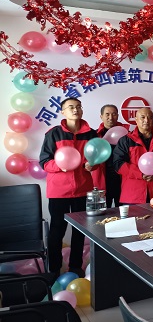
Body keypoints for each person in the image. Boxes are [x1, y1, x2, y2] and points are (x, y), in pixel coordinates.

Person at [39, 98, 98, 279]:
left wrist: (92, 165)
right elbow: (44, 162)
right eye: (71, 107)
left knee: (80, 230)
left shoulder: (91, 134)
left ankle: (75, 266)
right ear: (63, 111)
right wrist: (60, 166)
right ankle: (54, 268)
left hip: (83, 189)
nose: (75, 110)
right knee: (57, 230)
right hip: (59, 191)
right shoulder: (54, 134)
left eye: (78, 106)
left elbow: (96, 158)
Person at [113, 107, 153, 204]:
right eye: (143, 117)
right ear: (136, 120)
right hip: (133, 194)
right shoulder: (126, 140)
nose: (146, 120)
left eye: (150, 117)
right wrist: (140, 174)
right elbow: (118, 164)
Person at [92, 104, 129, 207]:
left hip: (121, 178)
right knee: (102, 211)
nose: (110, 117)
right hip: (103, 178)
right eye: (107, 114)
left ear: (118, 116)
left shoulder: (128, 135)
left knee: (123, 212)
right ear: (101, 116)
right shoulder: (95, 135)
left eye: (114, 114)